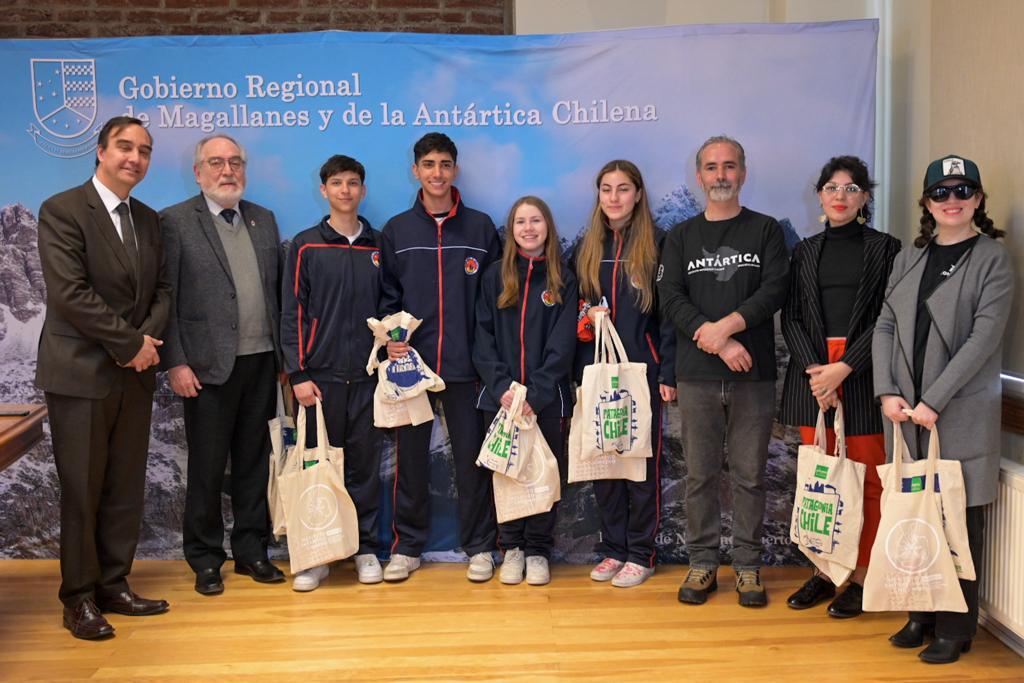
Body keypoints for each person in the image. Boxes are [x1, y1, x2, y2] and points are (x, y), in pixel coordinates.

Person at [35, 116, 172, 639]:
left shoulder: (149, 219)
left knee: (123, 488)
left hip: (133, 374)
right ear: (99, 150)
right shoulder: (63, 210)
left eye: (143, 150)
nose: (133, 158)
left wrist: (145, 344)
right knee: (82, 489)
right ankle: (78, 599)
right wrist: (129, 344)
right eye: (123, 147)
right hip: (81, 375)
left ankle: (114, 584)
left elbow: (163, 291)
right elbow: (70, 293)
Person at [873, 154, 1013, 664]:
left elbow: (984, 339)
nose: (951, 201)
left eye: (962, 191)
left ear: (977, 199)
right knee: (917, 515)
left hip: (960, 410)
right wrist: (888, 389)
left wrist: (935, 399)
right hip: (907, 412)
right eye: (941, 193)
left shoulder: (992, 258)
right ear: (927, 203)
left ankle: (956, 628)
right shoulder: (910, 256)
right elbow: (886, 323)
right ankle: (921, 614)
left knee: (958, 519)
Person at [658, 135, 790, 607]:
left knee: (751, 475)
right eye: (711, 167)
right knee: (700, 474)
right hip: (696, 375)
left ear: (743, 173)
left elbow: (775, 289)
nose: (720, 175)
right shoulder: (681, 237)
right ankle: (703, 563)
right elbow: (671, 297)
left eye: (729, 166)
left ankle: (749, 567)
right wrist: (713, 338)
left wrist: (728, 329)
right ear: (699, 177)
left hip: (752, 375)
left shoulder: (766, 231)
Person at [160, 134, 284, 596]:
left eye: (235, 162)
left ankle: (252, 551)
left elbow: (275, 295)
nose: (227, 171)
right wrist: (176, 362)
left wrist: (285, 361)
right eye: (216, 163)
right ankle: (206, 558)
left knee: (255, 462)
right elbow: (165, 298)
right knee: (208, 468)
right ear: (198, 172)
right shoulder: (174, 221)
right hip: (206, 368)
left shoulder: (263, 220)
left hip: (261, 361)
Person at [780, 156, 902, 618]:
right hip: (814, 380)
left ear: (865, 197)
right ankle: (826, 572)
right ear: (820, 195)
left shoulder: (888, 250)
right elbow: (789, 316)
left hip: (865, 374)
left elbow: (887, 317)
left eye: (851, 189)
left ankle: (863, 576)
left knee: (868, 482)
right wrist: (818, 372)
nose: (840, 196)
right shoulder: (804, 251)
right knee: (821, 482)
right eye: (832, 187)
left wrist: (844, 367)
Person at [378, 132, 501, 582]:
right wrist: (392, 339)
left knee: (473, 459)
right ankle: (407, 547)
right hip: (412, 369)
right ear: (416, 170)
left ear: (455, 170)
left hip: (468, 368)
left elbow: (495, 301)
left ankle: (481, 547)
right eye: (428, 164)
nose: (437, 172)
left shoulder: (482, 228)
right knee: (409, 461)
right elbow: (387, 296)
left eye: (445, 164)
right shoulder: (397, 230)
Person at [570, 160, 677, 588]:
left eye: (623, 189)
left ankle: (641, 552)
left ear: (638, 194)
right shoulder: (587, 247)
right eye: (607, 189)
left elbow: (669, 317)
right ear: (598, 196)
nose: (614, 198)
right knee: (605, 460)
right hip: (598, 371)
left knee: (639, 463)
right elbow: (574, 306)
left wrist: (666, 370)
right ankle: (613, 548)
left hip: (642, 372)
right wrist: (586, 316)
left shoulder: (658, 245)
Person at [280, 154, 384, 590]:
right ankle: (316, 554)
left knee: (364, 467)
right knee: (316, 466)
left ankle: (365, 550)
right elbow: (292, 313)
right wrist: (298, 373)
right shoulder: (305, 245)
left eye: (353, 183)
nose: (345, 190)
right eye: (337, 183)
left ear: (362, 191)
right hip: (317, 381)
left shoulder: (378, 247)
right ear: (324, 190)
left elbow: (388, 311)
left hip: (366, 377)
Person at [473, 196, 578, 586]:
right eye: (521, 222)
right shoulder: (493, 276)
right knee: (505, 473)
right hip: (498, 398)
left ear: (548, 227)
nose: (529, 228)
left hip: (547, 399)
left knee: (542, 475)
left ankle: (538, 550)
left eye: (536, 221)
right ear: (511, 230)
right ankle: (512, 547)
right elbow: (481, 337)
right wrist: (502, 387)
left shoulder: (563, 278)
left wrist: (536, 392)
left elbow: (563, 343)